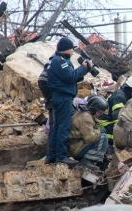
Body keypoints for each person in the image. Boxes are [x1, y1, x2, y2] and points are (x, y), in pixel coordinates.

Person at [46, 37, 92, 166]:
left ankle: (51, 156)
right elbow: (70, 76)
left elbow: (70, 78)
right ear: (67, 49)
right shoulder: (60, 61)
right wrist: (83, 68)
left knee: (57, 127)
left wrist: (84, 70)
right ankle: (61, 156)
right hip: (63, 97)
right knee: (63, 127)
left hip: (60, 96)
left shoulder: (58, 60)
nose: (73, 52)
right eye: (72, 49)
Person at [98, 74, 132, 145]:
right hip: (105, 124)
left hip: (112, 121)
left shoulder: (127, 96)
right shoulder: (119, 97)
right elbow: (118, 119)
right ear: (131, 89)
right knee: (129, 135)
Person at [68, 95, 109, 171]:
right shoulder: (86, 117)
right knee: (103, 137)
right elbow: (89, 138)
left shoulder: (85, 114)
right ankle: (88, 160)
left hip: (74, 146)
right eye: (100, 113)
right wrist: (99, 130)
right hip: (75, 148)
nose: (100, 115)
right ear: (94, 109)